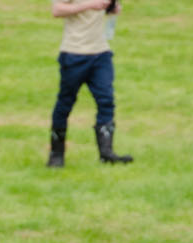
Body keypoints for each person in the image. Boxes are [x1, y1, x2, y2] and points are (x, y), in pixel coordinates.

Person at [47, 0, 132, 168]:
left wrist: (111, 9)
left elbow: (103, 9)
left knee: (106, 100)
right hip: (74, 52)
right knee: (65, 103)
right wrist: (88, 5)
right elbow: (57, 10)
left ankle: (106, 153)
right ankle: (56, 154)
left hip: (101, 53)